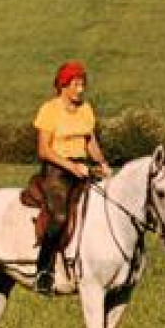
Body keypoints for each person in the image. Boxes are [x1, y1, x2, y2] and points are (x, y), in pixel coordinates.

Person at [31, 61, 110, 294]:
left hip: (83, 168)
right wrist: (71, 167)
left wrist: (102, 163)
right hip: (56, 170)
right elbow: (43, 150)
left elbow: (90, 141)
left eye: (83, 84)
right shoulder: (49, 110)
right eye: (76, 84)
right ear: (63, 85)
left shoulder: (86, 109)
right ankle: (43, 271)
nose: (81, 89)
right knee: (59, 215)